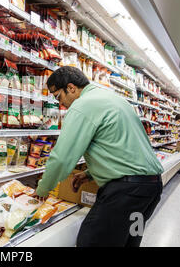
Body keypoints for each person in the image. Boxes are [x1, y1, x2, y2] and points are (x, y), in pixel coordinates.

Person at [34, 66, 164, 247]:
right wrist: (88, 173)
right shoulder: (113, 99)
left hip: (126, 193)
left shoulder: (83, 105)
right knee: (129, 241)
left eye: (59, 97)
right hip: (151, 189)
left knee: (91, 242)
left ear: (71, 88)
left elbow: (62, 158)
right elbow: (122, 146)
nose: (60, 104)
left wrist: (43, 189)